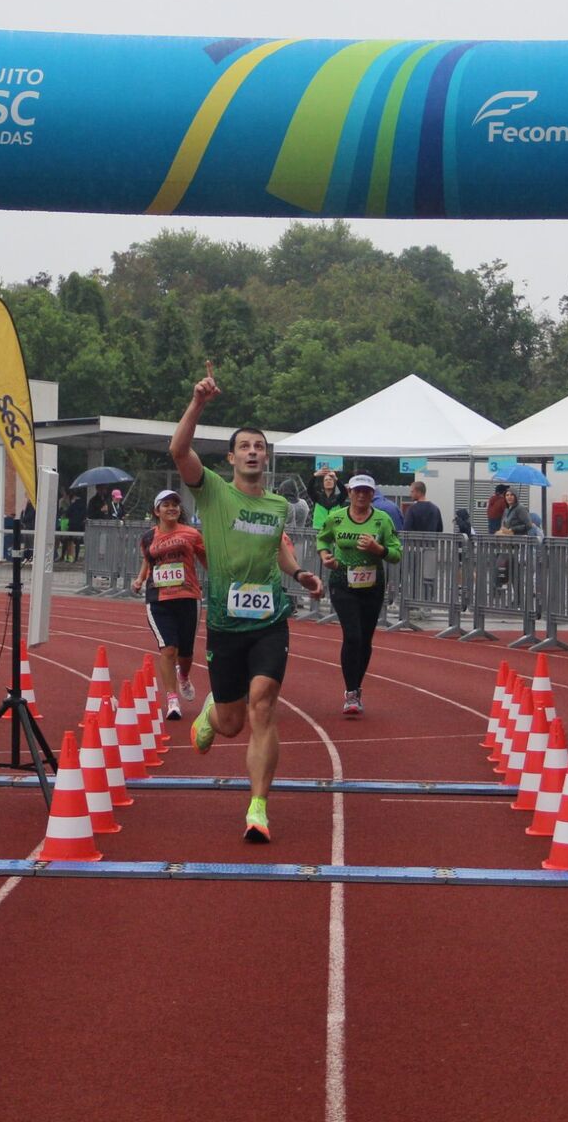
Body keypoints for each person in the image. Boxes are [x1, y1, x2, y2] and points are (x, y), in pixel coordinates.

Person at [171, 360, 323, 843]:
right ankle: (213, 712)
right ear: (232, 459)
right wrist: (198, 403)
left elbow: (277, 543)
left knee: (263, 704)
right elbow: (178, 450)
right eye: (245, 447)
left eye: (260, 447)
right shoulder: (213, 493)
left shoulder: (277, 505)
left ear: (266, 458)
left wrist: (298, 572)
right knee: (234, 722)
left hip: (269, 620)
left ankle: (258, 806)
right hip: (223, 622)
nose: (253, 452)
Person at [317, 474, 402, 716]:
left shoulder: (383, 520)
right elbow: (322, 540)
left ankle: (357, 686)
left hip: (372, 585)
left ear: (373, 494)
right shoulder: (336, 518)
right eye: (358, 491)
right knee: (352, 635)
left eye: (367, 491)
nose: (362, 495)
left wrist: (379, 549)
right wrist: (325, 557)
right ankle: (351, 692)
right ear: (349, 492)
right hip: (342, 582)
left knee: (365, 639)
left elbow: (396, 553)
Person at [131, 489, 207, 720]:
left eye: (175, 504)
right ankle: (172, 699)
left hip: (188, 597)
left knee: (185, 653)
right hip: (159, 600)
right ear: (157, 511)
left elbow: (206, 560)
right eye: (166, 505)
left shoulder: (192, 534)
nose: (172, 508)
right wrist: (140, 578)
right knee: (168, 649)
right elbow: (148, 560)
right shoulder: (147, 537)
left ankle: (183, 675)